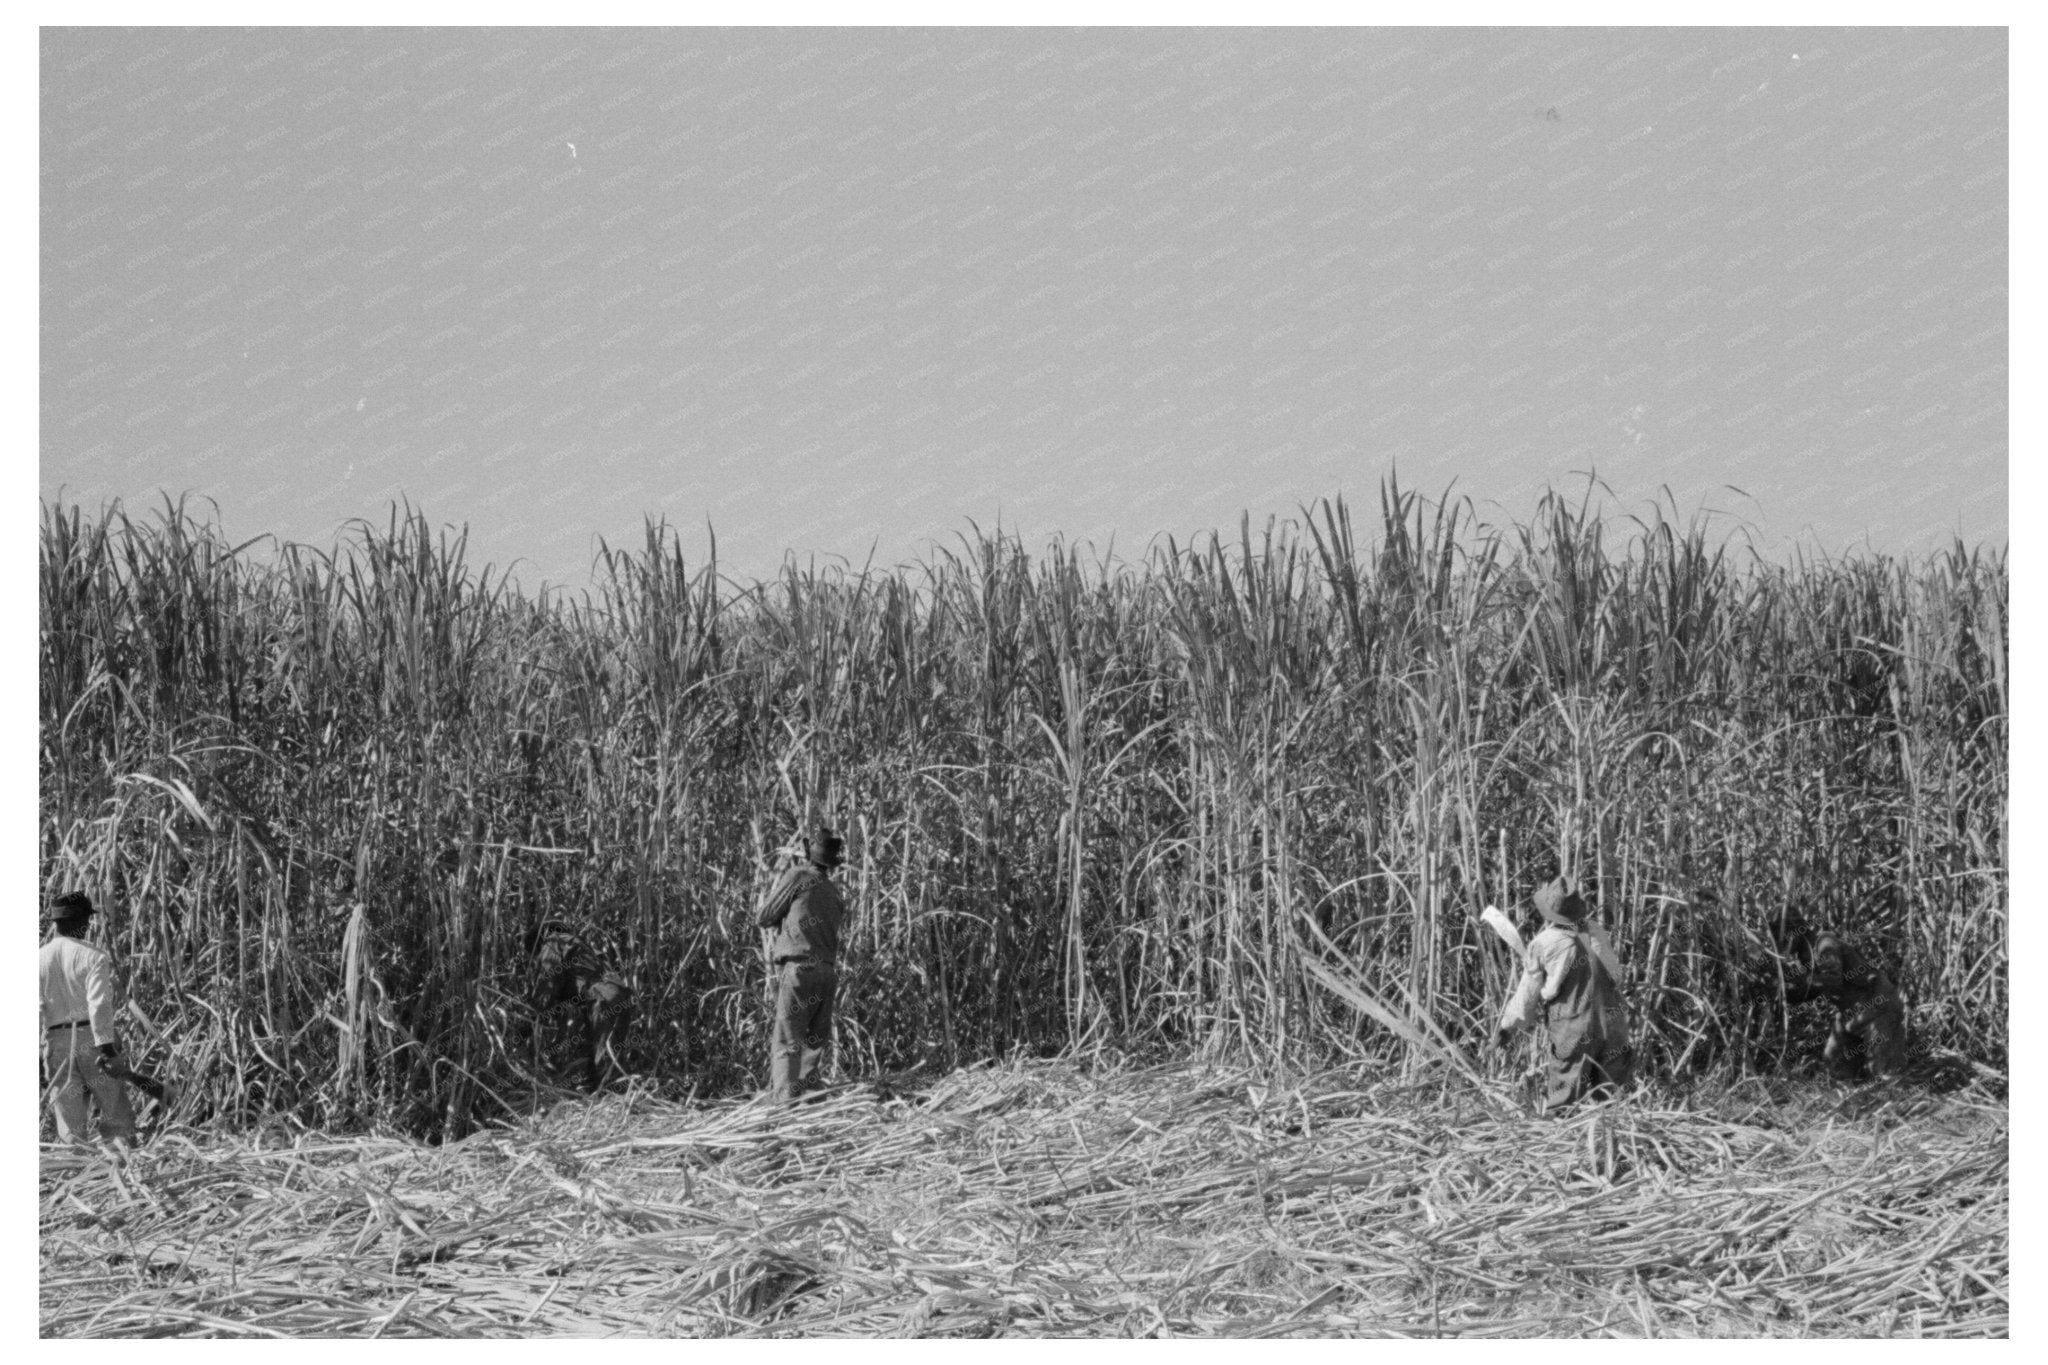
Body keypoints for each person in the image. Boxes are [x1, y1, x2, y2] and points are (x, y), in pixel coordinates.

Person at [1495, 877, 1632, 1112]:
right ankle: (1609, 1144)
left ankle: (1566, 1140)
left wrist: (1506, 1028)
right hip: (1614, 1023)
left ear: (1550, 914)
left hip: (1573, 1027)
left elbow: (1526, 996)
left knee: (1564, 1102)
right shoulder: (1597, 932)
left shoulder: (1543, 943)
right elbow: (1616, 976)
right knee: (1611, 1100)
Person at [39, 890, 138, 1146]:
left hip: (56, 1040)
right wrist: (107, 1049)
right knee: (114, 1108)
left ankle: (74, 1169)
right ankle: (120, 1164)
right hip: (91, 1039)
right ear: (82, 921)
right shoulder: (94, 956)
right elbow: (99, 1005)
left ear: (57, 923)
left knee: (69, 1116)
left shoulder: (37, 958)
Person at [755, 825, 846, 1103]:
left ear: (807, 851)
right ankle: (811, 1106)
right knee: (812, 1045)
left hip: (801, 969)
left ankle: (782, 1109)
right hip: (827, 973)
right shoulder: (834, 892)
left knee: (787, 1042)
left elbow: (765, 915)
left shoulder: (799, 875)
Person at [1785, 928, 1907, 1081]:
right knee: (1834, 1070)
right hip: (1851, 1015)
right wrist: (1781, 987)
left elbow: (1833, 980)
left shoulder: (1823, 943)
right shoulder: (1805, 954)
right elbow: (1810, 992)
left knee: (1885, 1075)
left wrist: (1797, 981)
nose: (1779, 941)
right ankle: (1854, 1099)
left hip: (1878, 1008)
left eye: (1780, 932)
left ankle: (1906, 1102)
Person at [535, 920, 635, 1090]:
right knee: (606, 1055)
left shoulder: (554, 941)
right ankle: (604, 1099)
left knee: (603, 1057)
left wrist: (534, 1017)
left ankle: (607, 1104)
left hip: (601, 998)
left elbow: (549, 982)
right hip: (619, 995)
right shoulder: (583, 947)